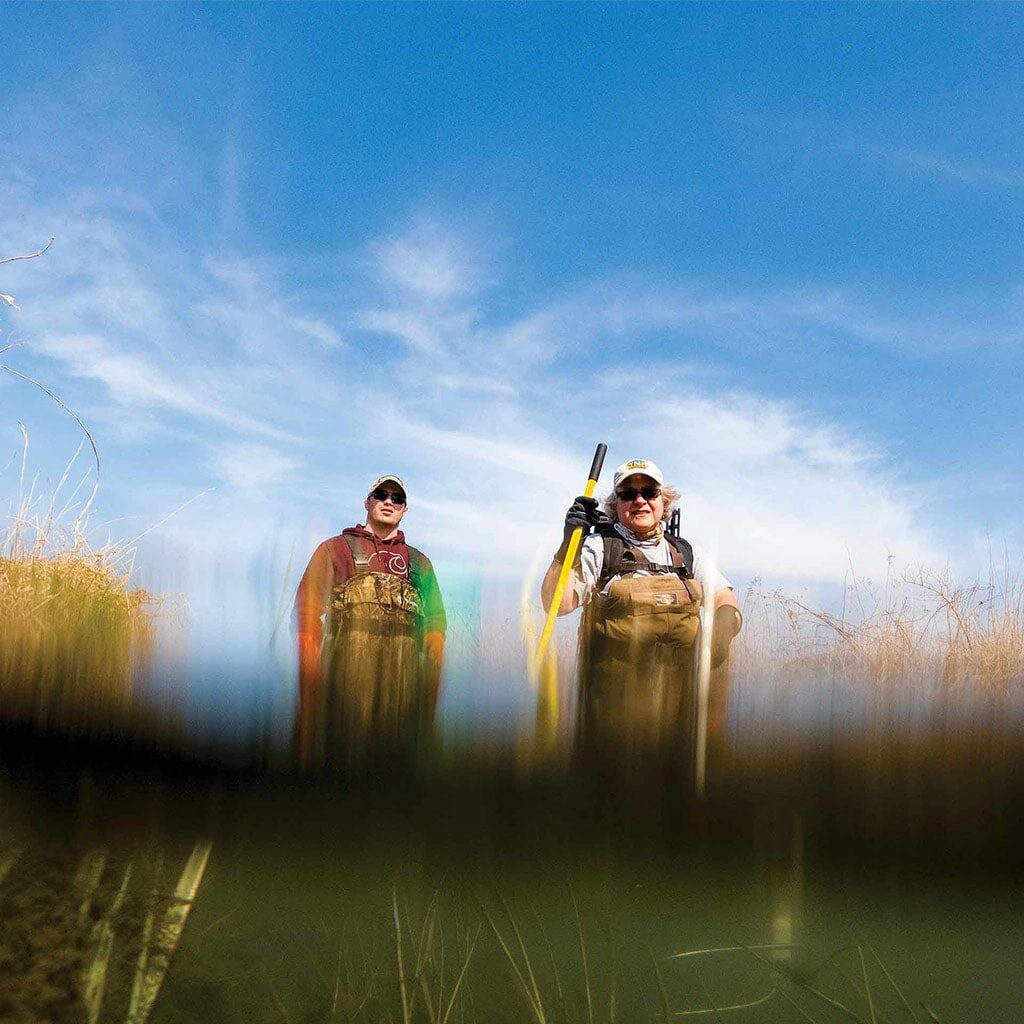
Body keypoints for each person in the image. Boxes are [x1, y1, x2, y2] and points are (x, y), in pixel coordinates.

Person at [541, 458, 741, 776]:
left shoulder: (686, 553)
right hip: (610, 721)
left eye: (649, 491)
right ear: (616, 504)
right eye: (627, 494)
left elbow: (723, 595)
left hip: (680, 717)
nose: (639, 500)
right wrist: (568, 547)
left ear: (664, 501)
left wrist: (725, 624)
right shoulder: (597, 548)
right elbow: (557, 604)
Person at [293, 474, 446, 772]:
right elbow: (307, 615)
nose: (389, 501)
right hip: (342, 702)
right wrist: (311, 701)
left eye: (397, 498)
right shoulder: (335, 549)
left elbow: (436, 625)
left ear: (405, 509)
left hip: (404, 706)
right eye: (381, 495)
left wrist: (427, 711)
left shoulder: (421, 564)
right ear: (367, 502)